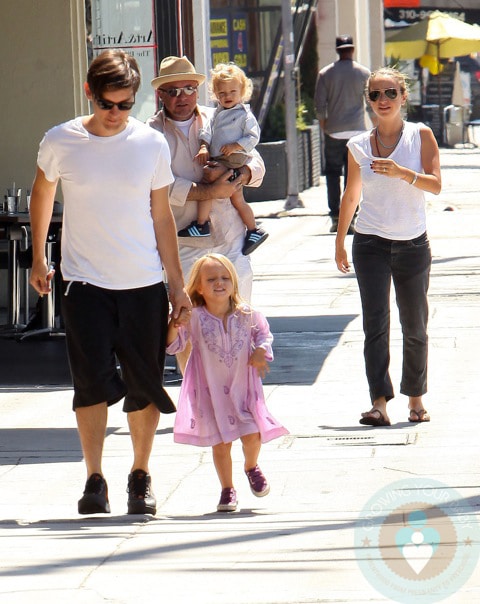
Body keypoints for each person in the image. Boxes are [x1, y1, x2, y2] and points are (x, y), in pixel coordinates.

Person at [29, 49, 191, 515]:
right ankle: (94, 478)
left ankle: (140, 476)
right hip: (85, 284)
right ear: (89, 93)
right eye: (107, 104)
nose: (116, 114)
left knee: (144, 383)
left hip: (142, 283)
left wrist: (176, 286)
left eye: (125, 105)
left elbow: (162, 217)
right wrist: (39, 256)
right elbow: (44, 192)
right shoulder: (61, 141)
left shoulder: (150, 145)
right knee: (90, 384)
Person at [334, 67, 441, 427]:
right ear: (369, 100)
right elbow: (351, 195)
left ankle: (415, 399)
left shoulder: (420, 135)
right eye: (376, 95)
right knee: (375, 325)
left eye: (390, 93)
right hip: (370, 244)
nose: (383, 101)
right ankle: (379, 403)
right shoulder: (358, 146)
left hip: (413, 244)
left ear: (403, 97)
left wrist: (403, 173)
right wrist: (340, 242)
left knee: (415, 325)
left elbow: (436, 185)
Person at [166, 253, 288, 512]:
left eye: (225, 278)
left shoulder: (247, 314)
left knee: (253, 434)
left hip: (243, 389)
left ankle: (251, 466)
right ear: (199, 286)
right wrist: (176, 324)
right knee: (221, 444)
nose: (219, 283)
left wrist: (260, 350)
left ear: (234, 282)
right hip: (210, 391)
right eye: (211, 279)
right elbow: (173, 345)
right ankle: (227, 489)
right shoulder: (195, 317)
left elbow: (264, 335)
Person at [147, 55, 266, 301]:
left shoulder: (222, 115)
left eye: (189, 88)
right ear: (160, 93)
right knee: (191, 327)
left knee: (240, 319)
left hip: (231, 240)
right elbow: (155, 186)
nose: (182, 96)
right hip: (185, 245)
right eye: (173, 90)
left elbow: (256, 162)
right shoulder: (151, 133)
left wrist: (237, 176)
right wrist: (211, 192)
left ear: (198, 89)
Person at [178, 62, 268, 256]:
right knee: (237, 199)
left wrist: (237, 150)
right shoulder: (217, 113)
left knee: (208, 181)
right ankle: (253, 230)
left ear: (242, 91)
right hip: (221, 157)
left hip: (233, 158)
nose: (227, 97)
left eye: (232, 92)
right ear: (215, 94)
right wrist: (203, 145)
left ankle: (201, 225)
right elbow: (208, 132)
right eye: (222, 93)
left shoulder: (244, 114)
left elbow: (254, 138)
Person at [315, 35, 372, 233]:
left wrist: (324, 126)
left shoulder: (325, 74)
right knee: (353, 176)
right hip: (357, 131)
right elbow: (371, 102)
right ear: (352, 50)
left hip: (334, 130)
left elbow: (320, 106)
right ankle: (351, 217)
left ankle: (335, 216)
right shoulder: (364, 73)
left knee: (332, 173)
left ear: (338, 50)